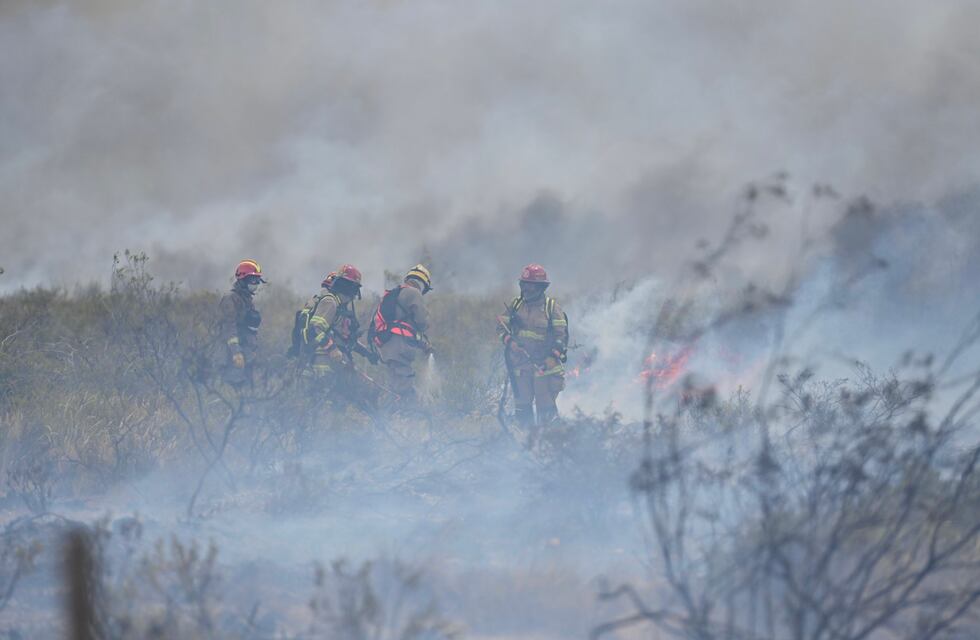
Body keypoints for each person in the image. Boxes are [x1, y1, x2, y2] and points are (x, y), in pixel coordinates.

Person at [497, 264, 568, 440]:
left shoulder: (552, 308)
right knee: (522, 409)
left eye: (530, 285)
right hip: (521, 367)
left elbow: (561, 338)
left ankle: (553, 445)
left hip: (545, 368)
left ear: (541, 287)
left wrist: (551, 359)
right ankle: (525, 445)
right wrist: (510, 342)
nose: (526, 289)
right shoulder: (516, 305)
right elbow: (500, 327)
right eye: (524, 284)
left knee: (546, 411)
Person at [300, 264, 380, 409]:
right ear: (349, 287)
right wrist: (331, 348)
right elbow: (315, 328)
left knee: (341, 402)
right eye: (354, 288)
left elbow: (345, 340)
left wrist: (367, 354)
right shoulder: (330, 302)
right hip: (324, 360)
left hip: (338, 361)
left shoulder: (341, 307)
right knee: (325, 401)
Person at [370, 264, 432, 406]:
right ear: (423, 284)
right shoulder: (413, 293)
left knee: (395, 383)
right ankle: (408, 416)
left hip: (388, 346)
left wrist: (423, 343)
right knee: (404, 384)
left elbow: (407, 326)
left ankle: (387, 416)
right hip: (399, 346)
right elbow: (421, 322)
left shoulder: (396, 293)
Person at [219, 259, 265, 388]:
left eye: (257, 280)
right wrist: (236, 352)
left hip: (247, 353)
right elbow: (229, 326)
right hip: (233, 355)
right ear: (243, 280)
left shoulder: (247, 300)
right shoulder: (231, 299)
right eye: (253, 280)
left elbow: (250, 329)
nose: (255, 284)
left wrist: (252, 349)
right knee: (235, 386)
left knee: (248, 389)